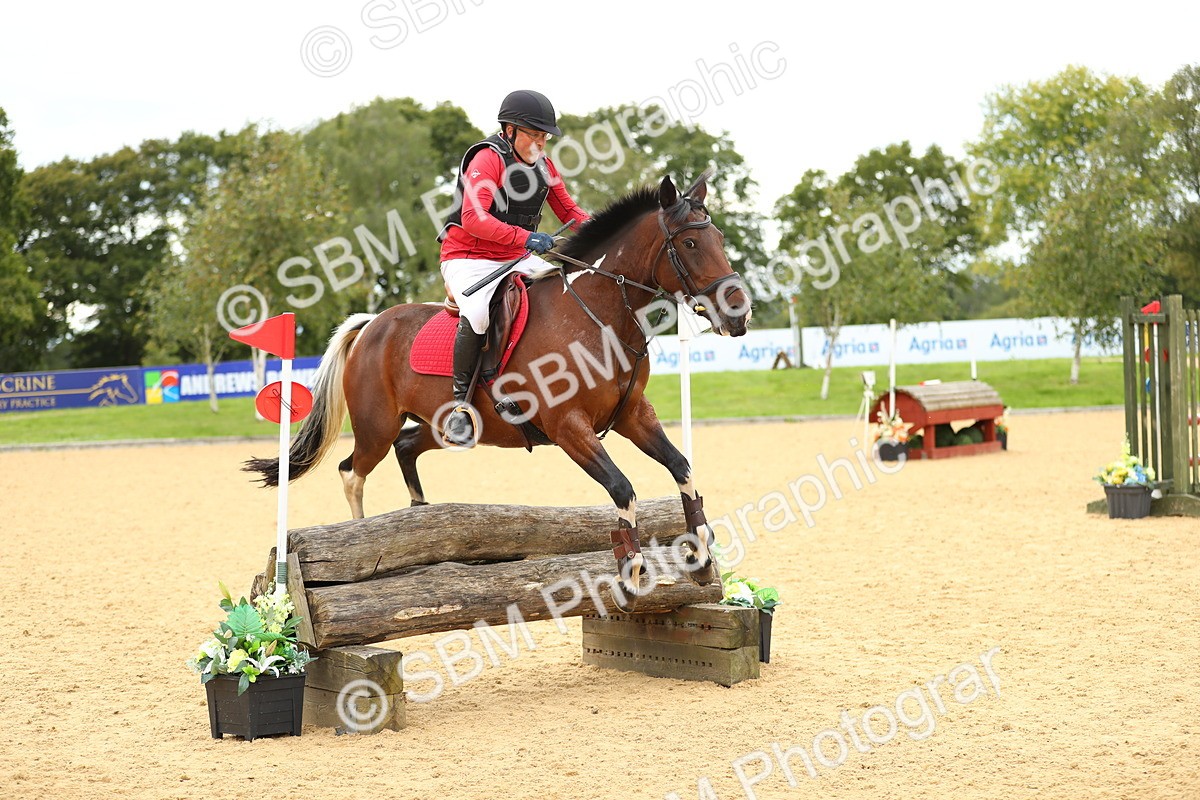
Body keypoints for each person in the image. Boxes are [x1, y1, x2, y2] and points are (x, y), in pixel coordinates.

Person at [438, 89, 591, 446]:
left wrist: (609, 229)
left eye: (544, 136)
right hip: (468, 258)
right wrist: (524, 238)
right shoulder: (487, 161)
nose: (541, 143)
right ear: (509, 131)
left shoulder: (544, 166)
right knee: (477, 313)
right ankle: (460, 409)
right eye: (534, 135)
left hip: (515, 256)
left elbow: (570, 212)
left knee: (559, 292)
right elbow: (473, 219)